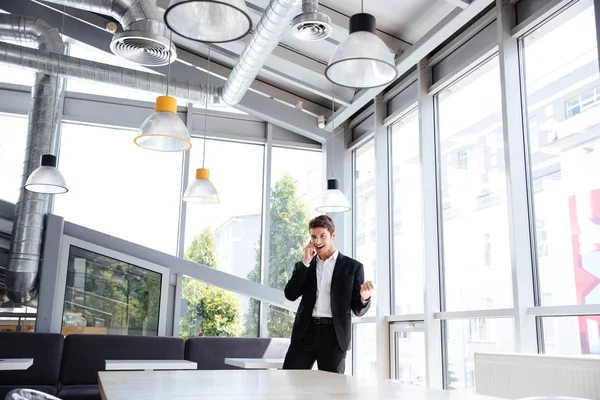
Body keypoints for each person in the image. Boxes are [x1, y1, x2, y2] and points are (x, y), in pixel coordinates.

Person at [282, 215, 375, 374]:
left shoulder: (353, 267)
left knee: (333, 390)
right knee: (290, 381)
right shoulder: (304, 265)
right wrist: (305, 263)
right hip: (305, 333)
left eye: (322, 236)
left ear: (333, 236)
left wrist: (364, 298)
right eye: (313, 237)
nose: (317, 241)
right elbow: (290, 294)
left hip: (334, 335)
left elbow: (357, 310)